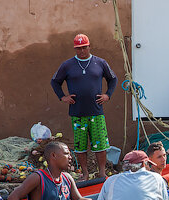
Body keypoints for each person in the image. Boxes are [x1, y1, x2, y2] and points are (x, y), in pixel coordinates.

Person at [50, 33, 118, 180]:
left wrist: (108, 95)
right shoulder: (67, 65)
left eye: (84, 47)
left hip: (96, 112)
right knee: (80, 146)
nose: (81, 51)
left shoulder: (100, 63)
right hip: (77, 113)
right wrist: (63, 97)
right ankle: (85, 173)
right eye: (78, 48)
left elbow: (113, 79)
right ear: (75, 49)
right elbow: (55, 81)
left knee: (101, 145)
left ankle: (101, 172)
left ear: (89, 46)